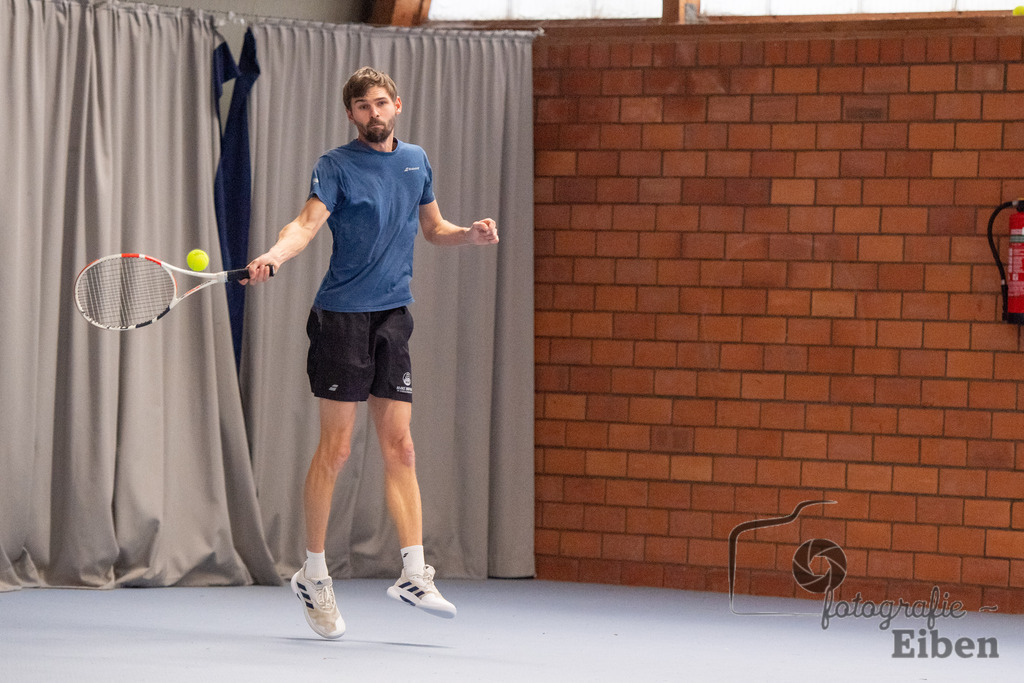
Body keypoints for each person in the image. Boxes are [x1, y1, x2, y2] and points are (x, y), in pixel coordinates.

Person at [245, 66, 498, 639]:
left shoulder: (416, 161)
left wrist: (468, 235)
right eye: (362, 107)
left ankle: (413, 573)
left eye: (380, 103)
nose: (373, 113)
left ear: (397, 105)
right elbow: (305, 224)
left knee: (401, 447)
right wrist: (276, 255)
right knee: (335, 451)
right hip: (341, 318)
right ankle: (313, 575)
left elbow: (434, 229)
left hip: (393, 317)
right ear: (351, 114)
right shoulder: (335, 166)